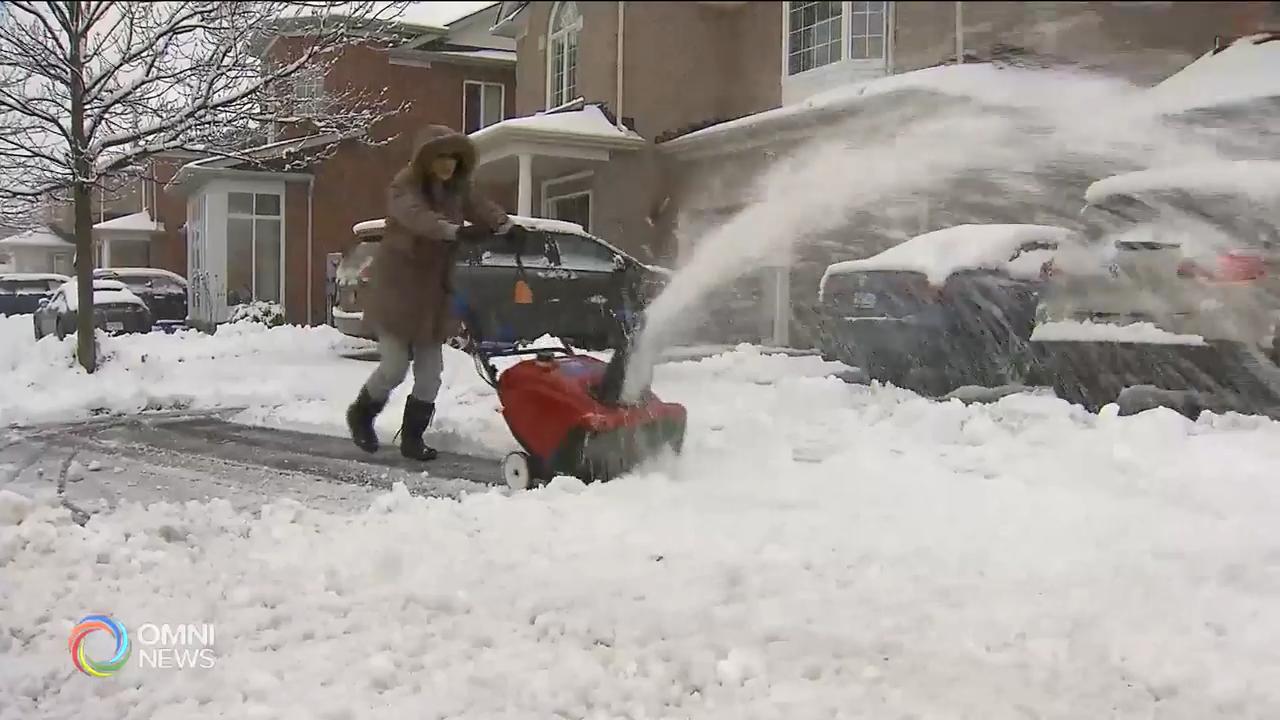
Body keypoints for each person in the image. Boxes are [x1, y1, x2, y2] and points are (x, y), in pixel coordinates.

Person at [346, 125, 511, 460]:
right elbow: (416, 217)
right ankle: (361, 414)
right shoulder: (403, 186)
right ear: (426, 160)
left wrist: (505, 225)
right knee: (394, 367)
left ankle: (412, 439)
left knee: (430, 376)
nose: (448, 164)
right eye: (440, 157)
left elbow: (481, 207)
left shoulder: (458, 189)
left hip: (432, 296)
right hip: (396, 290)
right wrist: (452, 231)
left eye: (453, 157)